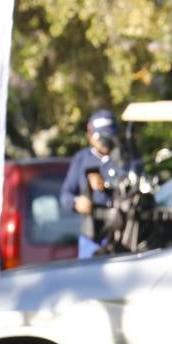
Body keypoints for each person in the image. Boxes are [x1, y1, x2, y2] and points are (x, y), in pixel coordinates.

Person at [59, 109, 121, 258]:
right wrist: (76, 202)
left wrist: (106, 186)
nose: (104, 142)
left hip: (119, 235)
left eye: (108, 136)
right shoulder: (82, 159)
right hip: (91, 237)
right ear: (90, 135)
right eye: (100, 136)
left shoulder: (122, 159)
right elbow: (65, 195)